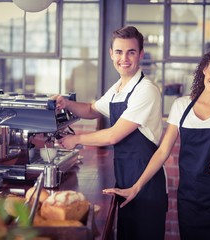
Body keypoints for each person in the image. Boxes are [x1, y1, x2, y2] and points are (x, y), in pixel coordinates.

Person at [103, 45, 210, 240]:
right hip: (189, 200)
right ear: (204, 69)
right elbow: (162, 152)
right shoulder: (181, 106)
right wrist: (136, 187)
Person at [53, 26, 168, 240]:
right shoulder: (118, 88)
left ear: (141, 54)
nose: (124, 58)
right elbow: (91, 109)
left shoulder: (146, 90)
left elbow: (113, 135)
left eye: (131, 52)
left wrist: (75, 139)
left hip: (146, 183)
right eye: (119, 52)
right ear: (111, 54)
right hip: (124, 179)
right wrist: (67, 103)